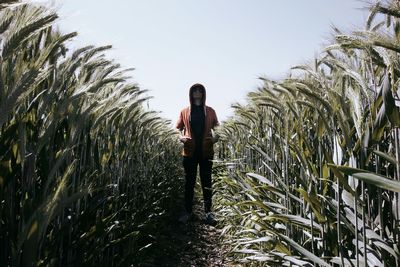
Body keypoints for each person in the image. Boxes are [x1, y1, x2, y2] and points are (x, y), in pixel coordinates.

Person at [176, 83, 219, 225]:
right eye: (194, 90)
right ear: (191, 93)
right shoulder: (184, 112)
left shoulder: (211, 111)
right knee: (189, 183)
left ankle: (208, 213)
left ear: (203, 93)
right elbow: (178, 129)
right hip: (189, 152)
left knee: (207, 183)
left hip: (206, 152)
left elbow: (218, 129)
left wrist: (214, 138)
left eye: (200, 90)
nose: (197, 92)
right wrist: (181, 138)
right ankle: (188, 212)